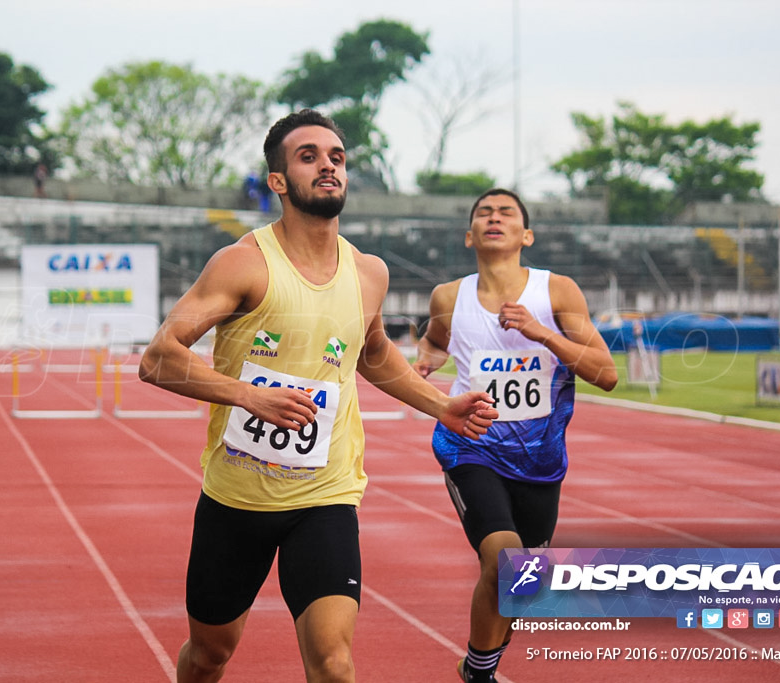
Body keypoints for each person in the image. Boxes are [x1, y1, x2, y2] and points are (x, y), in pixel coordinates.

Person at [138, 109, 498, 683]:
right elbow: (158, 357)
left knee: (333, 662)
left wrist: (441, 406)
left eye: (337, 157)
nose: (328, 166)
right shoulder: (243, 264)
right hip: (237, 500)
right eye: (309, 157)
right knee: (210, 655)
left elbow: (373, 352)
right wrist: (247, 396)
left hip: (325, 494)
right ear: (278, 181)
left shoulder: (368, 272)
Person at [412, 189, 618, 683]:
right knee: (505, 558)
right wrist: (427, 359)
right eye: (483, 212)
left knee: (523, 586)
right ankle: (480, 674)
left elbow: (607, 374)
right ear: (470, 235)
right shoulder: (448, 296)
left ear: (526, 235)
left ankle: (481, 658)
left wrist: (542, 333)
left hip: (540, 460)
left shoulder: (556, 292)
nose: (494, 218)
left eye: (506, 213)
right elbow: (435, 338)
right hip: (470, 446)